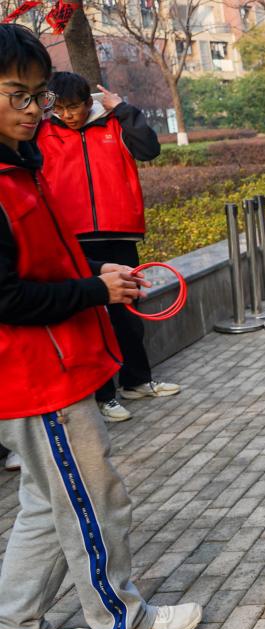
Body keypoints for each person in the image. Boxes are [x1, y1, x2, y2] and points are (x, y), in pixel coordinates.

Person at [0, 24, 202, 629]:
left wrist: (97, 278)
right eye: (17, 95)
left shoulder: (18, 166)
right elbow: (6, 297)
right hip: (34, 377)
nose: (34, 110)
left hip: (51, 366)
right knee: (93, 498)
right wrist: (93, 290)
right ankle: (123, 624)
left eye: (38, 95)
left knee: (46, 504)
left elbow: (38, 266)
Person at [38, 71, 178, 424]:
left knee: (127, 314)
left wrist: (124, 109)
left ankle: (137, 381)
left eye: (74, 107)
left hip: (120, 233)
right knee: (93, 319)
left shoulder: (114, 122)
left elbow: (149, 150)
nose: (68, 115)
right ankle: (104, 396)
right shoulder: (43, 133)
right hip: (75, 239)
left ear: (89, 102)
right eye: (61, 109)